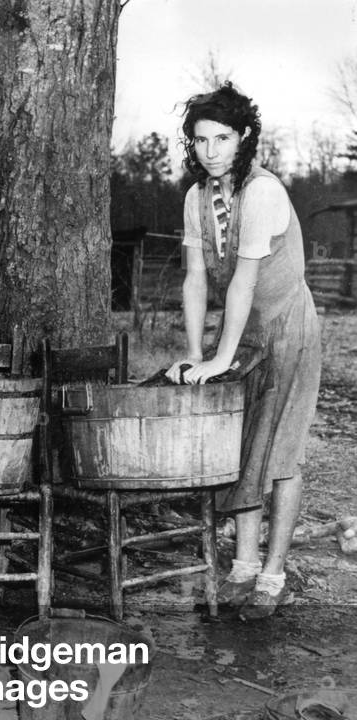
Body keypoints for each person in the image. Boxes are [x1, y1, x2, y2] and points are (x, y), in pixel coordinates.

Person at [165, 83, 321, 620]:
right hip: (245, 332)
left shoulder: (263, 192)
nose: (210, 151)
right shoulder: (195, 198)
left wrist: (221, 357)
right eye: (201, 140)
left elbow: (246, 283)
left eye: (222, 139)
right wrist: (193, 352)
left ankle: (274, 575)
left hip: (286, 329)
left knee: (279, 452)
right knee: (241, 447)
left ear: (245, 137)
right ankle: (243, 566)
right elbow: (195, 279)